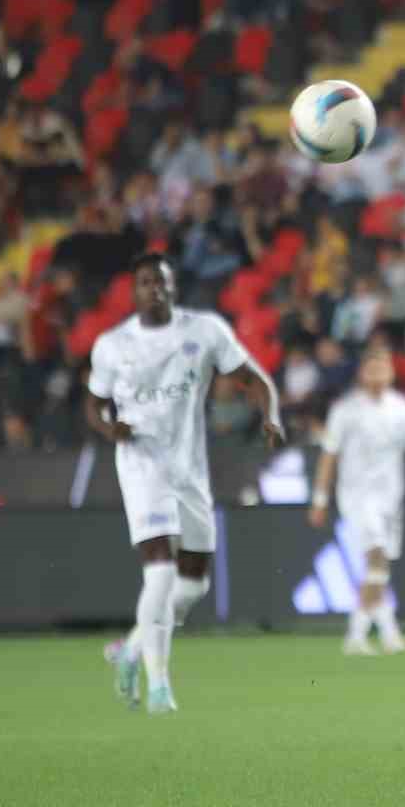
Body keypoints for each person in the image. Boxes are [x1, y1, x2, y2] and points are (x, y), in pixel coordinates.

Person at [87, 254, 284, 714]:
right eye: (146, 282)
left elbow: (252, 378)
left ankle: (132, 649)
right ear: (133, 291)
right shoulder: (112, 345)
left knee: (193, 585)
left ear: (174, 288)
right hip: (141, 466)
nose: (155, 289)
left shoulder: (204, 331)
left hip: (189, 470)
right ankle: (159, 686)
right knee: (160, 572)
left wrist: (270, 415)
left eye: (162, 281)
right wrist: (110, 429)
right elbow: (93, 404)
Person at [308, 348, 405, 655]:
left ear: (391, 373)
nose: (377, 375)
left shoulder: (401, 408)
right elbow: (329, 456)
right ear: (361, 374)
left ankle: (388, 632)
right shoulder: (345, 410)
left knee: (381, 566)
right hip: (357, 496)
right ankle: (356, 635)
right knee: (378, 558)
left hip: (390, 497)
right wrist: (320, 498)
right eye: (371, 369)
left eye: (382, 369)